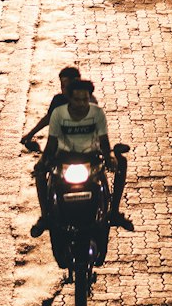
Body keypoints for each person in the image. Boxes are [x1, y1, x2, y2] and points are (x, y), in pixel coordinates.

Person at [30, 78, 133, 236]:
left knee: (122, 163)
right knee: (40, 172)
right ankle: (45, 217)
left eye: (85, 99)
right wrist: (42, 161)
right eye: (77, 100)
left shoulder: (97, 113)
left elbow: (104, 141)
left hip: (91, 157)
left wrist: (110, 156)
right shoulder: (58, 114)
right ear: (70, 99)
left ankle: (114, 212)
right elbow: (51, 143)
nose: (81, 104)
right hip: (64, 158)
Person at [21, 65, 86, 149]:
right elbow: (48, 118)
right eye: (62, 86)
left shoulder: (87, 101)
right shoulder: (58, 100)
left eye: (66, 86)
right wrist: (30, 134)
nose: (64, 89)